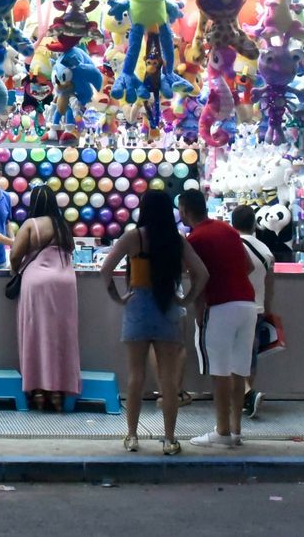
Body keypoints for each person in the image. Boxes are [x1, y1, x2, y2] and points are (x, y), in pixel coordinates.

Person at [100, 190, 208, 455]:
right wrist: (186, 299)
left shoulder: (133, 237)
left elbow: (106, 269)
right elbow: (202, 273)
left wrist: (118, 297)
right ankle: (169, 440)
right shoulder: (176, 239)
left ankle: (132, 436)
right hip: (167, 308)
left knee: (135, 376)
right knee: (168, 379)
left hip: (137, 307)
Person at [179, 189, 255, 449]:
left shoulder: (194, 239)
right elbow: (249, 266)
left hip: (220, 306)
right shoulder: (229, 230)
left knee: (219, 371)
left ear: (185, 211)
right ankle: (235, 430)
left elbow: (198, 278)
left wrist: (197, 309)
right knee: (239, 370)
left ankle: (222, 432)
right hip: (247, 304)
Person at [10, 185, 80, 411]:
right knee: (62, 334)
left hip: (37, 283)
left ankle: (38, 390)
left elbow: (15, 256)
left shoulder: (30, 225)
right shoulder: (63, 227)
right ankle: (59, 391)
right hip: (66, 283)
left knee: (36, 334)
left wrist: (16, 270)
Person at [231, 205, 276, 420]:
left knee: (232, 355)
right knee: (250, 356)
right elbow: (270, 285)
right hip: (257, 307)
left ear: (233, 223)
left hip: (233, 305)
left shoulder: (231, 245)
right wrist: (268, 307)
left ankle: (246, 395)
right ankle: (246, 398)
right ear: (254, 224)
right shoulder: (266, 250)